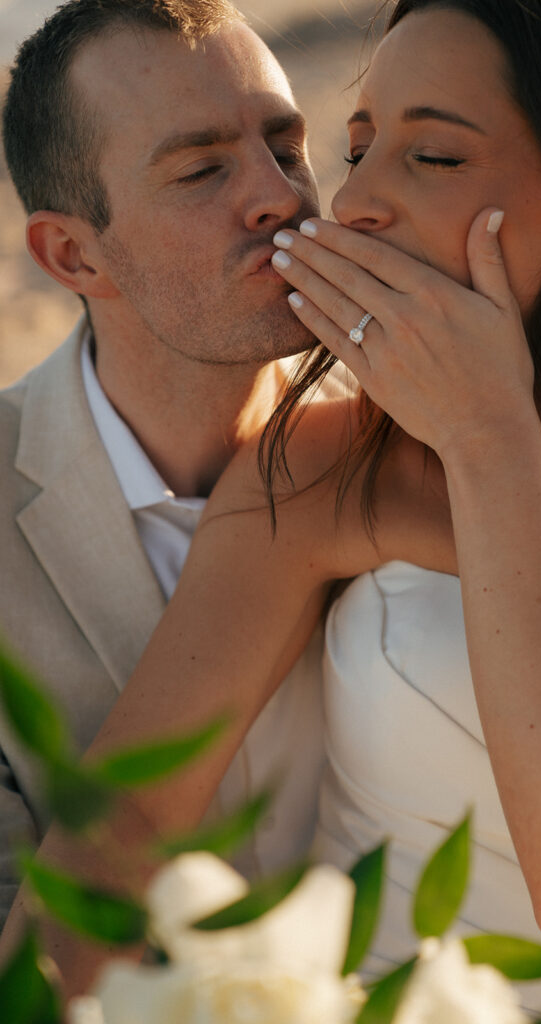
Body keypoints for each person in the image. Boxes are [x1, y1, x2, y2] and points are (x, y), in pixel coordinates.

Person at [0, 0, 541, 1019]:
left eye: (433, 157)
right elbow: (108, 857)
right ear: (70, 258)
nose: (340, 202)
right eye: (358, 147)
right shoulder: (313, 471)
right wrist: (482, 438)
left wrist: (489, 444)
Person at [0, 0, 335, 986]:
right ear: (72, 255)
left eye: (286, 143)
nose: (277, 195)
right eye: (201, 170)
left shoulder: (427, 442)